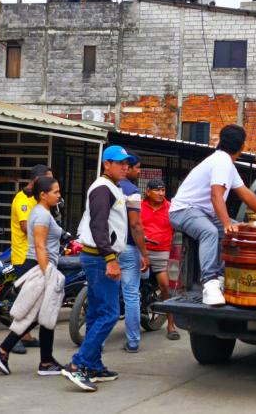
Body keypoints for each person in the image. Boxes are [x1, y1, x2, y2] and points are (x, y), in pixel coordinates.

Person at [169, 125, 256, 306]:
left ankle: (221, 278)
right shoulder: (222, 162)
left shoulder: (227, 165)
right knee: (210, 232)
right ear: (242, 147)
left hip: (204, 213)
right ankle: (209, 283)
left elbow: (245, 193)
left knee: (241, 231)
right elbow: (216, 195)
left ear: (220, 141)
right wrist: (226, 224)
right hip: (183, 210)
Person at [61, 146, 136, 392]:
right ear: (107, 164)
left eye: (127, 163)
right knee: (110, 313)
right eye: (120, 163)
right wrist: (110, 259)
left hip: (98, 257)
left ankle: (93, 365)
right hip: (100, 258)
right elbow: (98, 224)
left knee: (95, 312)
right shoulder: (102, 188)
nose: (125, 167)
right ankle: (79, 364)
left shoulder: (112, 187)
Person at [0, 176, 64, 376]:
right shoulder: (42, 215)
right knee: (40, 314)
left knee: (42, 314)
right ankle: (5, 351)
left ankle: (44, 361)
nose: (59, 195)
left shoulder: (41, 211)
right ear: (43, 195)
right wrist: (48, 273)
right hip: (40, 266)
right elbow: (39, 246)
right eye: (55, 192)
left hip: (39, 265)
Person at [9, 164, 53, 354]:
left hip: (35, 254)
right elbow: (26, 227)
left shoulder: (37, 199)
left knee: (33, 300)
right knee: (25, 300)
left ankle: (25, 336)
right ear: (37, 180)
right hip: (23, 255)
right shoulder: (22, 199)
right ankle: (14, 339)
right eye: (48, 179)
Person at [118, 152, 149, 354]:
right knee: (131, 295)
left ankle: (98, 342)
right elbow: (136, 224)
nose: (139, 171)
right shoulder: (132, 191)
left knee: (104, 295)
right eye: (137, 168)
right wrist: (144, 253)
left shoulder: (104, 186)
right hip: (128, 247)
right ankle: (133, 341)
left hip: (106, 248)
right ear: (127, 168)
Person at [141, 178, 179, 340]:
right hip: (141, 251)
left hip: (162, 252)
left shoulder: (171, 208)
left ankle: (171, 325)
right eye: (157, 190)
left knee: (165, 286)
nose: (161, 193)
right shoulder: (139, 207)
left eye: (163, 190)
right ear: (148, 192)